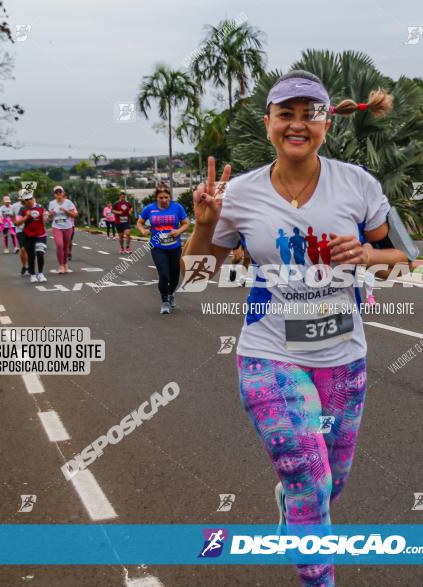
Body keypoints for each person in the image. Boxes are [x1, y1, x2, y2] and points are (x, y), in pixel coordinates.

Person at [183, 70, 406, 587]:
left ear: (328, 123)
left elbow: (402, 262)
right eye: (287, 114)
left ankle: (292, 500)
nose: (298, 125)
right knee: (309, 473)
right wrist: (203, 224)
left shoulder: (358, 185)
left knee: (330, 484)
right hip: (268, 353)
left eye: (310, 114)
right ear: (269, 125)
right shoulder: (238, 194)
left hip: (343, 358)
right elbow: (195, 279)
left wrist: (370, 255)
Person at [137, 183, 189, 314]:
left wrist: (178, 231)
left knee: (175, 276)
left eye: (166, 197)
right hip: (157, 246)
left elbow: (186, 223)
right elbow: (140, 222)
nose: (164, 200)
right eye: (161, 198)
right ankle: (165, 301)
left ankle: (171, 294)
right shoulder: (149, 209)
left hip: (175, 246)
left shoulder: (177, 207)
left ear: (170, 197)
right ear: (157, 198)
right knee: (164, 274)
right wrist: (143, 230)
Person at [14, 192, 48, 283]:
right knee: (31, 256)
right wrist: (27, 216)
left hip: (41, 235)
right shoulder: (22, 209)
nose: (28, 201)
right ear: (24, 201)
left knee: (40, 253)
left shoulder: (40, 207)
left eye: (30, 198)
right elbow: (17, 223)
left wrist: (48, 216)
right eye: (26, 200)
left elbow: (46, 218)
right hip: (28, 235)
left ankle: (40, 274)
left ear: (33, 198)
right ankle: (33, 275)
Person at [47, 186, 78, 274]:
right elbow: (49, 217)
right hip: (57, 226)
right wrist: (51, 214)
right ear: (54, 195)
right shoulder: (52, 203)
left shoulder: (68, 203)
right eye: (56, 193)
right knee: (59, 245)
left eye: (60, 192)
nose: (58, 194)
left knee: (65, 247)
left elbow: (74, 215)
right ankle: (60, 265)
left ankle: (65, 264)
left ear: (63, 193)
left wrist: (65, 210)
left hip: (68, 227)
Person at [12, 193, 29, 275]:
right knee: (22, 249)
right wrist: (14, 222)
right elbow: (11, 215)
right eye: (21, 197)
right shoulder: (14, 206)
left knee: (29, 249)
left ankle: (29, 266)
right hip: (20, 230)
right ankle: (24, 265)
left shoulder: (30, 205)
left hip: (30, 229)